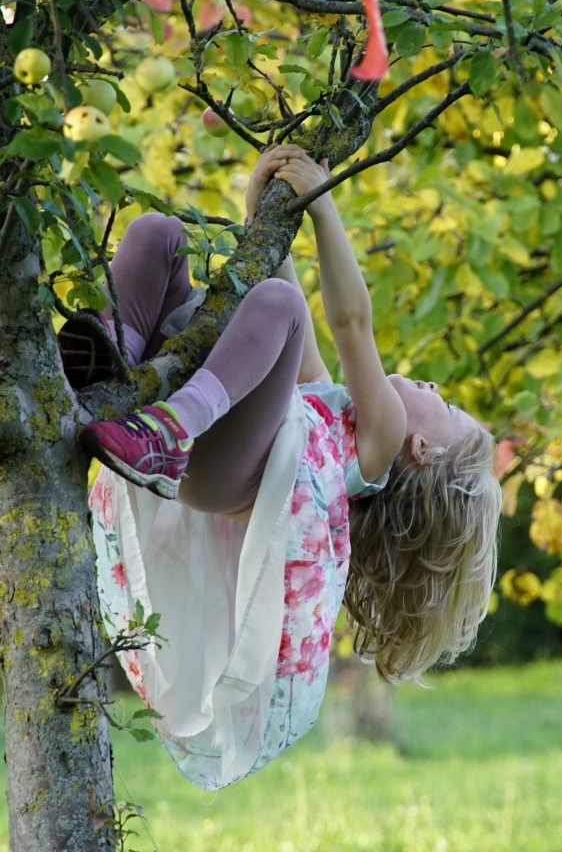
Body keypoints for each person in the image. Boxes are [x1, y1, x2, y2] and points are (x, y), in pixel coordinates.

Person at [65, 145, 501, 790]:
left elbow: (349, 322)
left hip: (215, 465)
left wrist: (323, 206)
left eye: (449, 407)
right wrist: (266, 219)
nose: (436, 387)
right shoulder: (336, 413)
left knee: (278, 308)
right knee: (159, 235)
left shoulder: (379, 441)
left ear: (424, 451)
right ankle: (114, 354)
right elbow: (292, 319)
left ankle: (171, 426)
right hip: (212, 454)